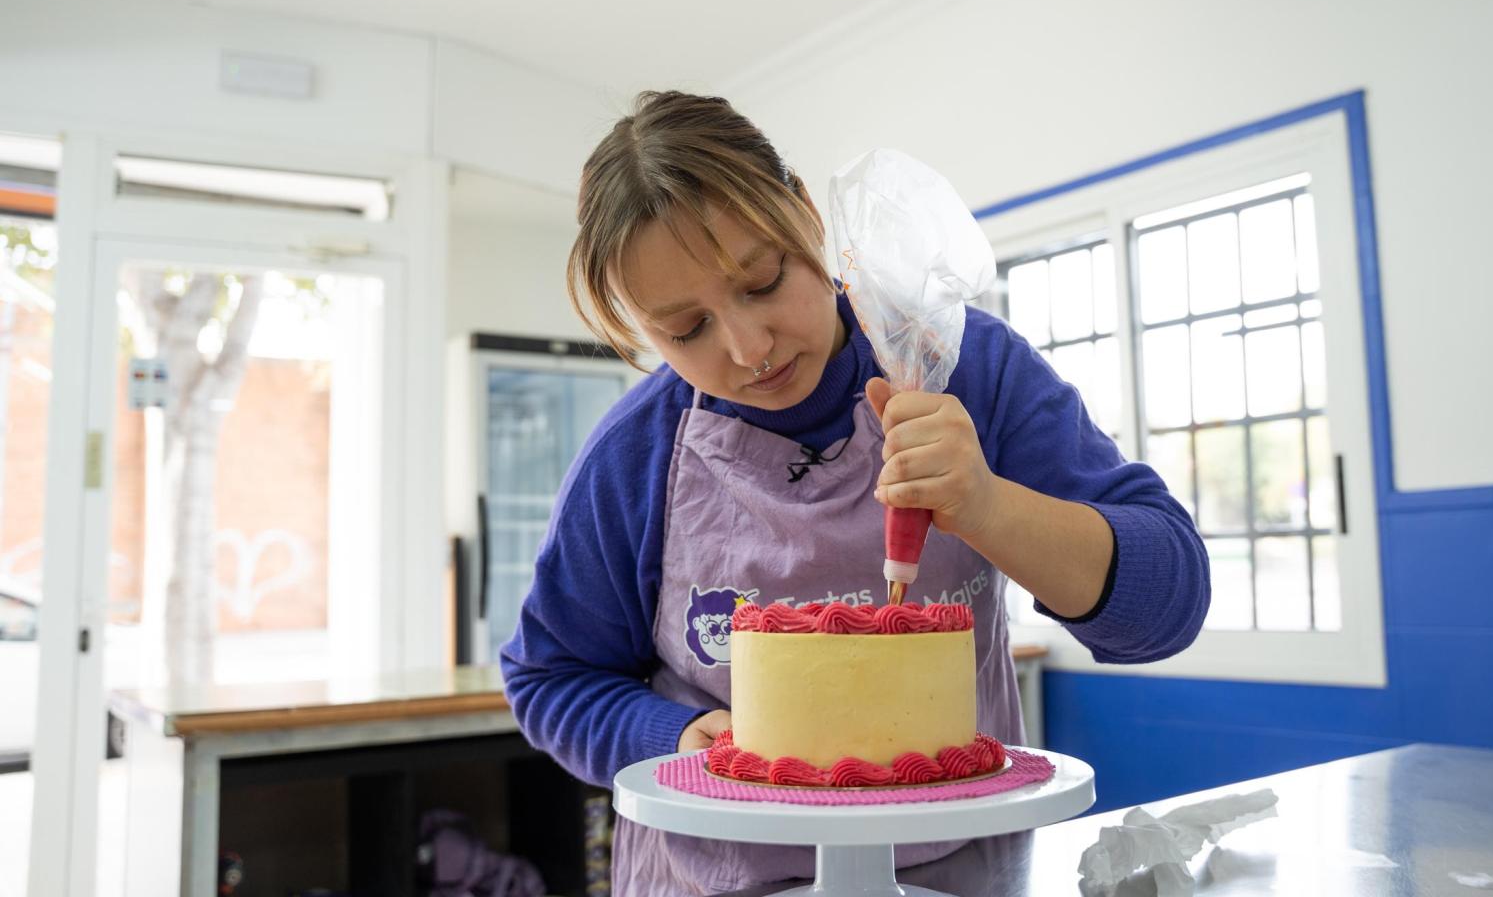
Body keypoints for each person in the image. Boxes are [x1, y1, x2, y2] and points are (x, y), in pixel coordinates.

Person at [500, 90, 1210, 896]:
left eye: (762, 282)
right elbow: (550, 678)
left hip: (957, 874)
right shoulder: (636, 455)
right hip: (711, 879)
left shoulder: (965, 365)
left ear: (804, 212)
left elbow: (1167, 607)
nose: (748, 347)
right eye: (686, 330)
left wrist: (987, 505)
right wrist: (675, 733)